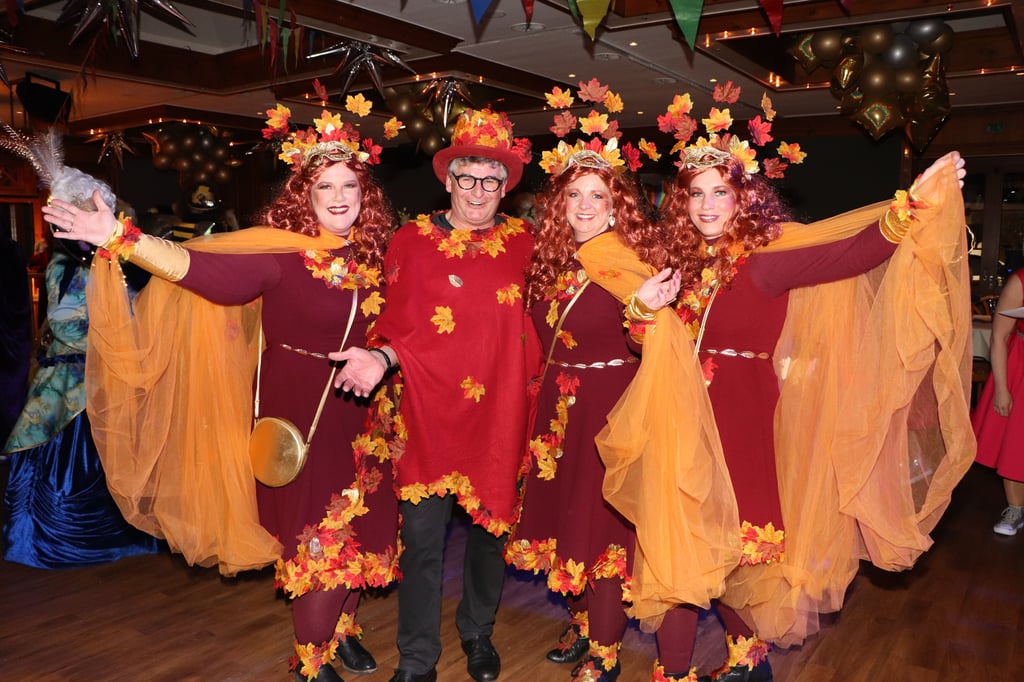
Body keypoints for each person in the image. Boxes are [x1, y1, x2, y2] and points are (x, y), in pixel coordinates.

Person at [585, 85, 974, 681]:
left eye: (721, 192)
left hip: (744, 423)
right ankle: (675, 673)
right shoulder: (677, 262)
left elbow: (854, 253)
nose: (708, 205)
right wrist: (640, 309)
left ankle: (747, 661)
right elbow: (645, 342)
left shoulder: (768, 257)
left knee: (746, 554)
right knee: (675, 551)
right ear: (682, 201)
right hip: (677, 422)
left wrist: (911, 207)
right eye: (696, 194)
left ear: (744, 197)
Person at [42, 106, 400, 682]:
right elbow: (197, 269)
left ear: (367, 193)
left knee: (365, 527)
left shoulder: (381, 256)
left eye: (349, 186)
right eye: (324, 187)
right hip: (299, 415)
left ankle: (343, 630)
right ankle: (312, 660)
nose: (338, 197)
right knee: (321, 536)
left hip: (367, 416)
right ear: (303, 197)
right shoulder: (278, 253)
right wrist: (118, 237)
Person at [329, 107, 542, 682]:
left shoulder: (527, 245)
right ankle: (418, 660)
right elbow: (397, 326)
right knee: (422, 546)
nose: (478, 191)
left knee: (489, 541)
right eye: (467, 178)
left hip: (500, 415)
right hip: (426, 415)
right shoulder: (411, 242)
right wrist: (378, 356)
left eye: (491, 180)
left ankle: (478, 634)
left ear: (506, 187)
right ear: (447, 181)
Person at [505, 83, 700, 682]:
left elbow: (656, 335)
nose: (585, 205)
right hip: (557, 412)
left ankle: (607, 653)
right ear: (558, 204)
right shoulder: (550, 262)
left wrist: (643, 309)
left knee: (607, 535)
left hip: (613, 411)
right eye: (574, 195)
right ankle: (587, 624)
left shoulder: (624, 261)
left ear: (618, 206)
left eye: (598, 195)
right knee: (571, 528)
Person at [2, 144, 159, 568]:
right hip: (75, 381)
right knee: (72, 458)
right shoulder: (69, 264)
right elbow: (67, 324)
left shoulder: (108, 259)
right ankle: (62, 540)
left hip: (100, 375)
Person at [971, 271, 1024, 535]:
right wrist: (1002, 390)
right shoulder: (1021, 281)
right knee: (1016, 442)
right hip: (1021, 369)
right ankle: (1016, 508)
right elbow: (999, 337)